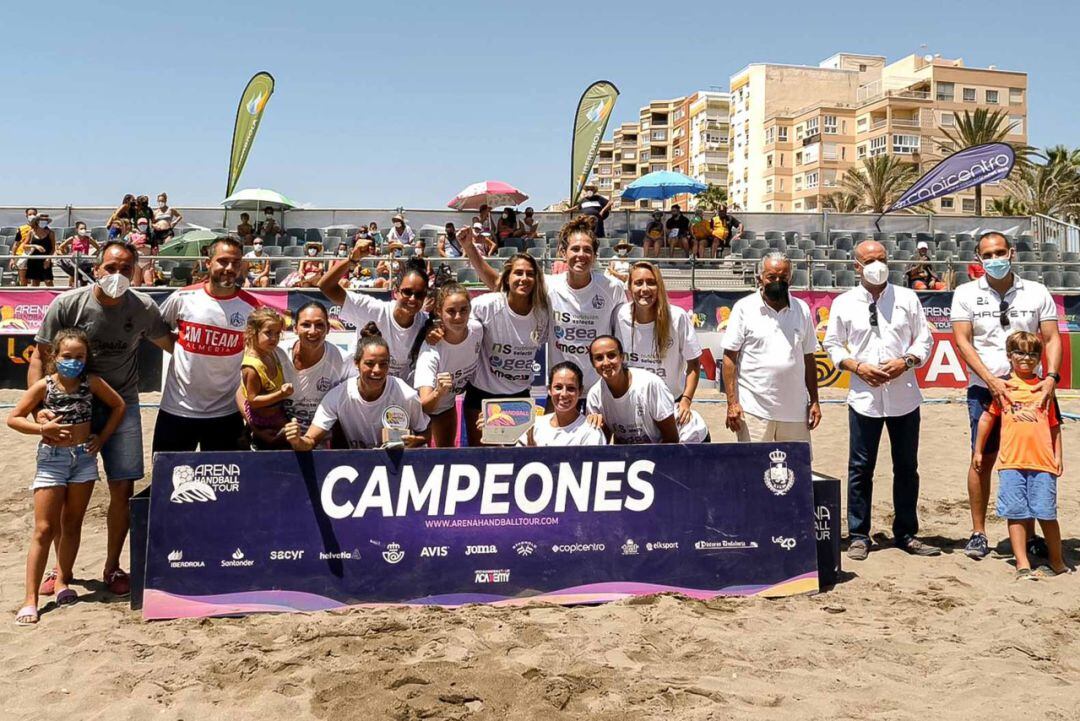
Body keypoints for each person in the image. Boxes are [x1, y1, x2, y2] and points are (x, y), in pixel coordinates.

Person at [30, 240, 174, 596]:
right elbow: (39, 356)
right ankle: (60, 570)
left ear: (137, 270)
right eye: (111, 268)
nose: (118, 274)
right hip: (70, 410)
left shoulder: (142, 307)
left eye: (126, 268)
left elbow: (173, 345)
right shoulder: (68, 304)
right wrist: (39, 409)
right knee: (65, 494)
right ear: (96, 268)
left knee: (122, 490)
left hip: (122, 406)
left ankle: (112, 567)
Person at [823, 240, 938, 560]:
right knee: (860, 467)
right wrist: (856, 366)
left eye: (882, 259)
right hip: (864, 396)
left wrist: (908, 361)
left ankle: (906, 533)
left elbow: (924, 338)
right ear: (856, 266)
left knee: (906, 467)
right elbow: (833, 344)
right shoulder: (844, 303)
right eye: (870, 260)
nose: (878, 265)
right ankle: (859, 534)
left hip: (904, 397)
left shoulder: (907, 298)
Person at [951, 231, 1061, 560]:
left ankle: (1027, 537)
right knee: (981, 458)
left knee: (1030, 462)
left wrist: (1051, 378)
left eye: (1000, 252)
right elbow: (963, 341)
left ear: (1011, 252)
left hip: (1032, 392)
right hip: (986, 389)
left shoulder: (1037, 291)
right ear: (979, 258)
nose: (995, 258)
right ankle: (978, 532)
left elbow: (1052, 338)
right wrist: (992, 381)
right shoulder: (966, 293)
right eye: (988, 254)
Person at [10, 328, 126, 625]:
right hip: (53, 460)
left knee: (72, 524)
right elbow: (14, 418)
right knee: (44, 529)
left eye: (79, 357)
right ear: (55, 356)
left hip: (84, 460)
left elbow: (118, 406)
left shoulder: (92, 383)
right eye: (67, 356)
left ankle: (63, 582)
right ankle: (30, 598)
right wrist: (41, 429)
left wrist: (102, 437)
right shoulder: (45, 386)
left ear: (87, 359)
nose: (73, 362)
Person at [463, 215, 626, 389]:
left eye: (587, 250)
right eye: (575, 249)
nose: (581, 255)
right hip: (563, 390)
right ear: (563, 252)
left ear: (595, 255)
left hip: (600, 389)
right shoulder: (548, 286)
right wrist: (469, 247)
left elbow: (625, 331)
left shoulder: (612, 287)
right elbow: (500, 284)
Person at [973, 331, 1067, 578]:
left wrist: (1058, 456)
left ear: (1039, 358)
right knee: (1016, 514)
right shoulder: (1003, 386)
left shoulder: (1045, 388)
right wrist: (978, 450)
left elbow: (1055, 425)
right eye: (1020, 353)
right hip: (1011, 462)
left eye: (1033, 354)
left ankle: (1057, 562)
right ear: (1009, 356)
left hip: (1043, 462)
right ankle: (1022, 564)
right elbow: (987, 418)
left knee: (1047, 514)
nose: (1026, 358)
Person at [153, 237, 259, 453]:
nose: (229, 268)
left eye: (236, 263)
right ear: (208, 262)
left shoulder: (251, 307)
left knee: (225, 483)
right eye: (223, 261)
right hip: (178, 408)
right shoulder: (183, 297)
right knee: (167, 480)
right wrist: (180, 347)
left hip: (226, 413)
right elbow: (157, 329)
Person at [723, 253, 820, 446]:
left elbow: (809, 357)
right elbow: (729, 358)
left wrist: (815, 400)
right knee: (753, 470)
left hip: (795, 410)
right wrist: (732, 403)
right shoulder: (744, 308)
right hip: (754, 410)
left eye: (783, 278)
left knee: (795, 470)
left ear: (790, 278)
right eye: (772, 277)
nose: (778, 282)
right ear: (760, 277)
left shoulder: (802, 310)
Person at [285, 329, 430, 450]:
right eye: (369, 363)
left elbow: (425, 432)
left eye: (383, 364)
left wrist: (416, 441)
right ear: (356, 363)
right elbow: (310, 441)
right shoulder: (338, 396)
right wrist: (297, 441)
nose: (377, 370)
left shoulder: (406, 395)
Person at [319, 250, 431, 383]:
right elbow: (326, 287)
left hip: (394, 395)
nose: (413, 299)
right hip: (360, 388)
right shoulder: (372, 309)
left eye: (419, 295)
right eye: (407, 292)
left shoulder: (426, 323)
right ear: (395, 292)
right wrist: (351, 260)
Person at [616, 261, 702, 422]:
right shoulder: (620, 315)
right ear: (629, 287)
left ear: (660, 287)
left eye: (651, 282)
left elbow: (694, 364)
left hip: (669, 405)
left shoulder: (677, 317)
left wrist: (686, 400)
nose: (645, 289)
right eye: (638, 283)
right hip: (630, 407)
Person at [586, 335, 708, 444]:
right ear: (592, 363)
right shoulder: (595, 396)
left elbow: (671, 439)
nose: (606, 362)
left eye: (612, 355)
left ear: (622, 357)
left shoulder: (649, 384)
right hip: (652, 445)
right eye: (599, 358)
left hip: (688, 437)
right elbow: (604, 445)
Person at [413, 283, 483, 447]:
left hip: (447, 406)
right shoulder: (430, 352)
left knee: (447, 455)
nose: (458, 317)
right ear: (439, 312)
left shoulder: (478, 330)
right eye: (451, 311)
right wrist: (439, 391)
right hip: (422, 413)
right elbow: (425, 407)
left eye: (463, 310)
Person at [278, 301, 351, 433]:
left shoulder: (342, 359)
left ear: (328, 328)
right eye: (306, 325)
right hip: (279, 435)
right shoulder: (278, 354)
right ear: (295, 328)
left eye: (319, 325)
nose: (313, 331)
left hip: (321, 440)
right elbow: (242, 393)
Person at [239, 308, 293, 449]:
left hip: (278, 413)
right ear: (253, 332)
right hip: (264, 422)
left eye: (277, 333)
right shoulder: (252, 367)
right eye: (268, 333)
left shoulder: (271, 353)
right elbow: (253, 401)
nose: (274, 338)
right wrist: (281, 394)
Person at [520, 362, 606, 446]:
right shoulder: (534, 426)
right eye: (558, 387)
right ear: (549, 389)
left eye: (571, 388)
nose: (564, 394)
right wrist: (528, 454)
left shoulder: (590, 430)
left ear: (580, 391)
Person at [23, 213, 55, 287]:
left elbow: (53, 248)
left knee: (48, 281)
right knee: (35, 282)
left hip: (45, 260)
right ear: (37, 221)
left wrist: (48, 259)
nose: (44, 222)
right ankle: (34, 298)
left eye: (45, 220)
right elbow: (24, 245)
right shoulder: (31, 232)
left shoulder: (50, 233)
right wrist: (35, 246)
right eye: (42, 220)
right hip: (34, 260)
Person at [9, 207, 38, 285]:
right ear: (26, 215)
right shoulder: (21, 228)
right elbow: (16, 244)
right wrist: (12, 259)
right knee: (23, 279)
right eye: (30, 214)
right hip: (22, 254)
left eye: (34, 214)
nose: (32, 216)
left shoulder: (41, 229)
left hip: (36, 255)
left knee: (35, 280)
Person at [126, 217, 155, 286]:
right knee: (136, 284)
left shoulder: (151, 235)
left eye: (144, 224)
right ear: (137, 225)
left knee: (149, 283)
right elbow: (128, 247)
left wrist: (152, 264)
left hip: (147, 262)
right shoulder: (132, 235)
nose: (142, 225)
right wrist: (137, 243)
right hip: (136, 262)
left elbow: (154, 250)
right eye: (140, 224)